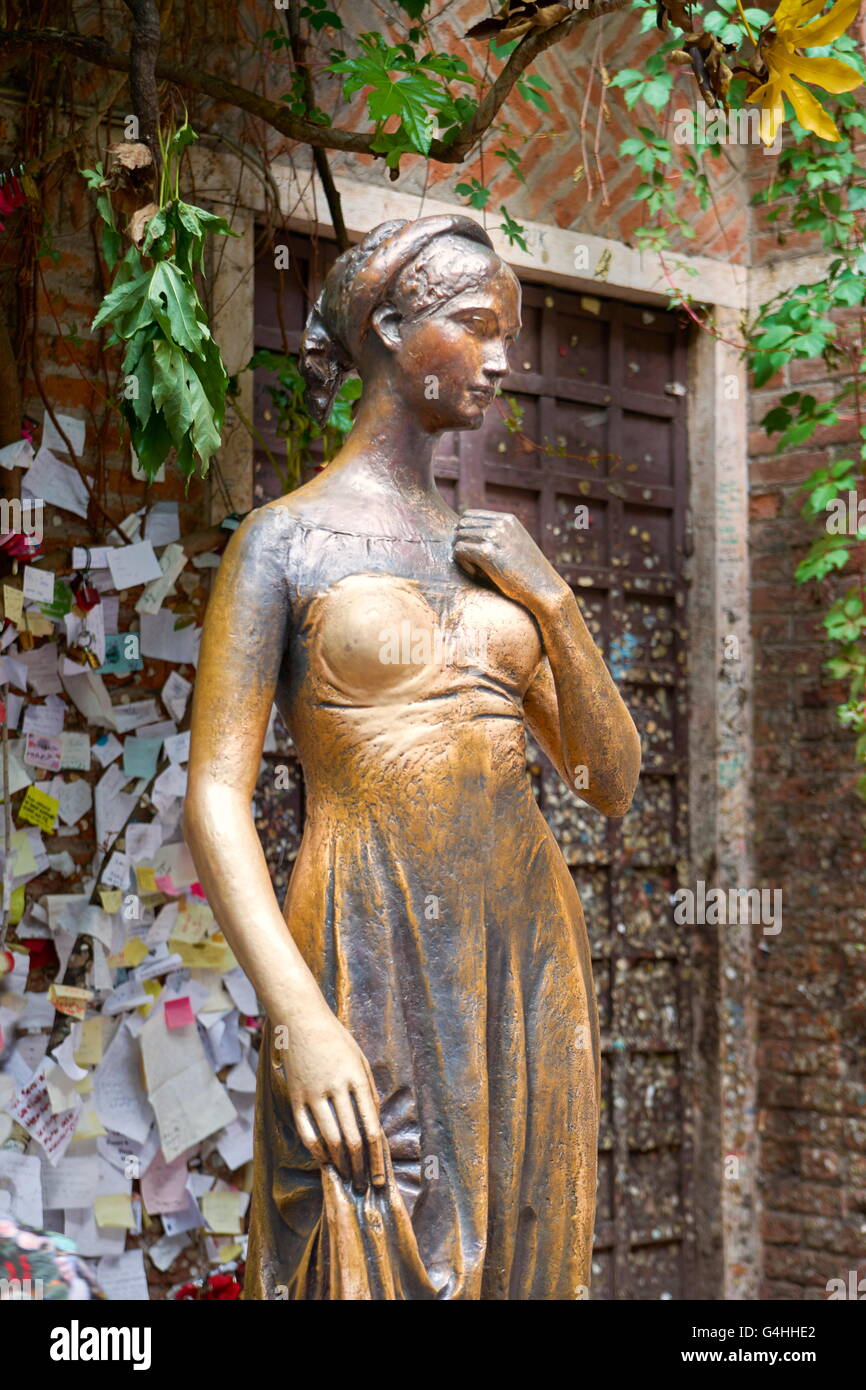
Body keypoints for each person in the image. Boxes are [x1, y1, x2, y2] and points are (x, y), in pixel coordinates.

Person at [184, 214, 641, 1300]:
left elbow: (608, 782)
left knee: (522, 1254)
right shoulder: (283, 541)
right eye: (474, 326)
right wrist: (295, 1015)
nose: (500, 359)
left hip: (519, 946)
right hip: (364, 937)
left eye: (507, 334)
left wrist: (556, 603)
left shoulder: (492, 562)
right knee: (357, 1231)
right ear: (390, 327)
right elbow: (213, 796)